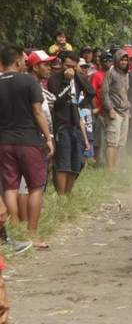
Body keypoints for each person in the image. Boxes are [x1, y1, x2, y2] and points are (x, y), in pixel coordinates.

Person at [0, 45, 54, 249]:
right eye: (22, 60)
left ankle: (13, 230)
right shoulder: (29, 81)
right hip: (29, 140)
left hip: (4, 141)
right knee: (35, 188)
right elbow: (38, 111)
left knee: (10, 187)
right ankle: (32, 234)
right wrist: (48, 138)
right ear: (16, 62)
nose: (25, 63)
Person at [47, 51, 94, 194]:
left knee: (77, 162)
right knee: (62, 163)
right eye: (68, 65)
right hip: (61, 124)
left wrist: (79, 75)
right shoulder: (54, 79)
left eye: (74, 66)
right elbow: (57, 102)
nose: (70, 69)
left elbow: (91, 92)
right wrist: (67, 82)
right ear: (61, 63)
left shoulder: (76, 77)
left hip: (76, 124)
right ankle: (61, 195)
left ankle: (68, 194)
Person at [102, 49, 130, 171]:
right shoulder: (111, 72)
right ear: (117, 59)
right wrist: (110, 109)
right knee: (112, 141)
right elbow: (105, 92)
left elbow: (125, 92)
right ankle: (110, 169)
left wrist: (129, 110)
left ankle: (115, 166)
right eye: (122, 59)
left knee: (120, 142)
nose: (124, 62)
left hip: (125, 110)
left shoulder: (126, 74)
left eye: (125, 60)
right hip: (114, 111)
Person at [90, 52, 112, 165]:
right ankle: (97, 161)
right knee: (98, 138)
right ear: (101, 62)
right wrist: (96, 109)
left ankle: (110, 162)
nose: (107, 62)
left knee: (111, 138)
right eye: (105, 60)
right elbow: (92, 94)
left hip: (112, 111)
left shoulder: (114, 75)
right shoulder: (97, 75)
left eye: (110, 60)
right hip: (100, 111)